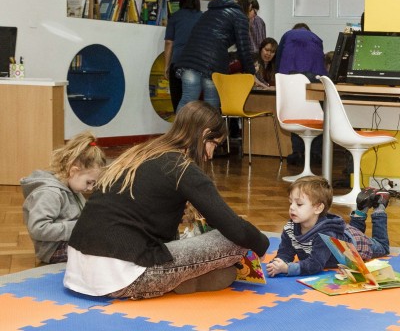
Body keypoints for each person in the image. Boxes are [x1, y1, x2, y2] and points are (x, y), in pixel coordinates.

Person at [63, 101, 270, 299]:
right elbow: (233, 227)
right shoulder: (181, 167)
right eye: (214, 145)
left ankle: (188, 280)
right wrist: (262, 245)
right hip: (123, 276)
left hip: (77, 271)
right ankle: (182, 279)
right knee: (235, 241)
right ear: (204, 134)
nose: (211, 155)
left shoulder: (139, 153)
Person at [266, 176, 390, 277]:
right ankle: (361, 211)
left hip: (355, 244)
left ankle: (379, 208)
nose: (292, 207)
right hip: (341, 232)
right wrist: (277, 264)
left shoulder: (324, 235)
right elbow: (285, 253)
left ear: (318, 208)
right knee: (353, 230)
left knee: (383, 247)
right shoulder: (290, 228)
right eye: (290, 202)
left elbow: (315, 264)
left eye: (299, 204)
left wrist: (288, 268)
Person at [21, 131, 106, 264]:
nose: (90, 188)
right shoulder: (50, 193)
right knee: (104, 249)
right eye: (89, 182)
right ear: (73, 171)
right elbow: (38, 229)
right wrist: (77, 226)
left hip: (70, 240)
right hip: (53, 250)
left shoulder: (73, 185)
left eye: (93, 184)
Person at [174, 0, 256, 112]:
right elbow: (244, 48)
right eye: (254, 11)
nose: (254, 16)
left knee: (187, 100)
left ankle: (179, 124)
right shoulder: (240, 17)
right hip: (212, 63)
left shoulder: (208, 13)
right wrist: (252, 73)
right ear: (249, 7)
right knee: (211, 103)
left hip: (189, 59)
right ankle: (209, 125)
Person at [275, 23, 327, 165]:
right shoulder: (316, 38)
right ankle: (316, 153)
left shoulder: (287, 35)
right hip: (314, 78)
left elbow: (278, 60)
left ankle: (297, 152)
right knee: (318, 113)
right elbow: (321, 62)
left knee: (295, 113)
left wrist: (279, 80)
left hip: (291, 77)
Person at [164, 0, 202, 112]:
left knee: (177, 99)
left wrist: (167, 66)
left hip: (178, 62)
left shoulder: (175, 16)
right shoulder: (203, 17)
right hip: (197, 64)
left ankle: (179, 122)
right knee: (193, 102)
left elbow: (169, 42)